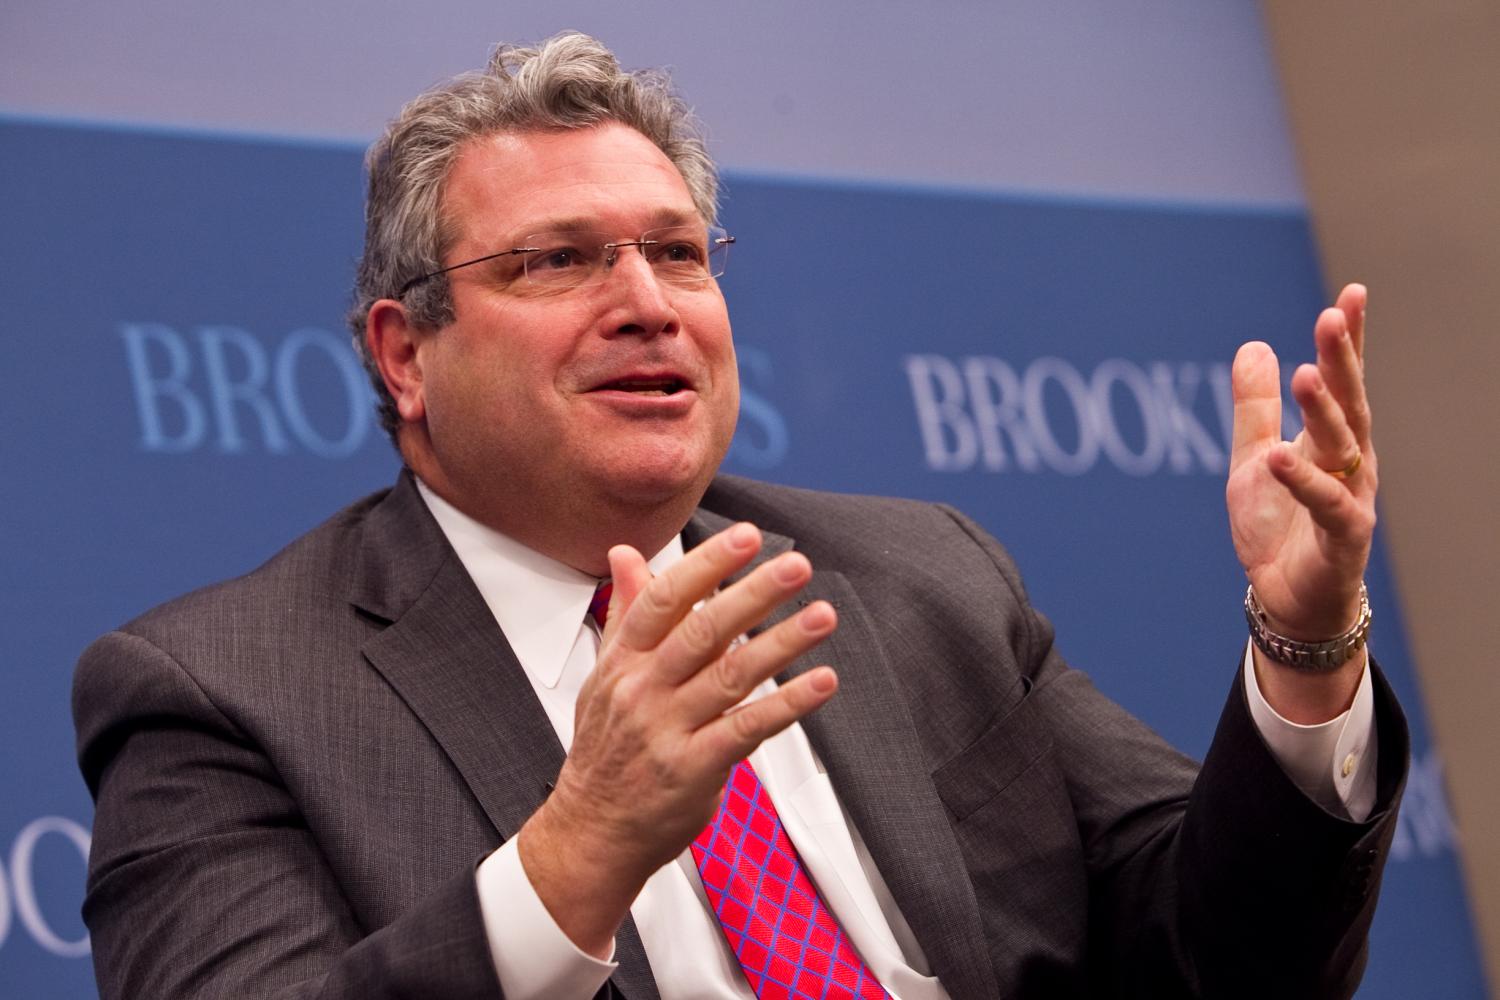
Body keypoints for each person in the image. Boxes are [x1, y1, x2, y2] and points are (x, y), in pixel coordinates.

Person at [74, 31, 1406, 1000]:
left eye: (676, 252)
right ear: (405, 353)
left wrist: (1306, 648)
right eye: (560, 259)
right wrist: (580, 851)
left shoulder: (922, 578)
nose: (647, 302)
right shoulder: (223, 695)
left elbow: (1229, 961)